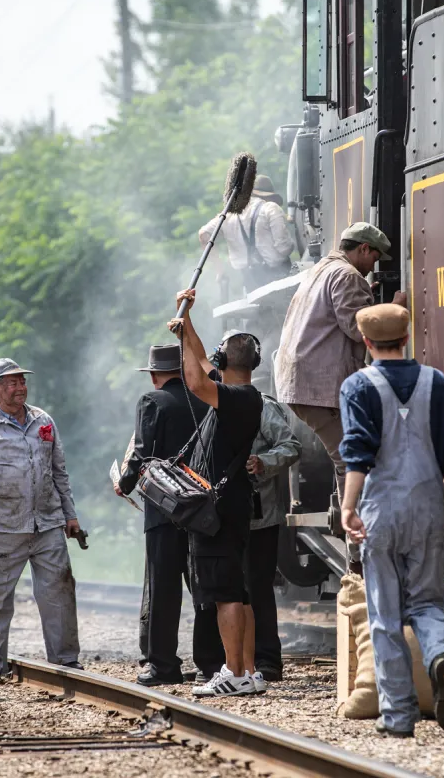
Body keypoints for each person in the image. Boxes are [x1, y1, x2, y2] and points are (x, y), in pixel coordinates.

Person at [339, 303, 444, 738]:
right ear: (406, 337)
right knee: (428, 604)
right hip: (428, 506)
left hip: (381, 510)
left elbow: (358, 452)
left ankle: (398, 716)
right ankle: (440, 654)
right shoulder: (436, 383)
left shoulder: (357, 386)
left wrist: (348, 505)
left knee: (384, 614)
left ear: (366, 342)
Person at [0, 358, 83, 685]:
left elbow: (59, 472)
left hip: (47, 524)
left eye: (22, 381)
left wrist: (70, 514)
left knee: (60, 593)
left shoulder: (44, 421)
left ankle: (65, 661)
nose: (19, 387)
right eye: (11, 382)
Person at [167, 290, 264, 697]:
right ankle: (250, 670)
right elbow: (204, 364)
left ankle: (235, 673)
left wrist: (187, 331)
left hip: (220, 509)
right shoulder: (243, 394)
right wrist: (187, 323)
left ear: (227, 364)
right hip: (235, 503)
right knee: (239, 592)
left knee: (224, 592)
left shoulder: (237, 398)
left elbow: (194, 378)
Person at [115, 343, 224, 686]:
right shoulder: (209, 399)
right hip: (203, 510)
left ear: (153, 375)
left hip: (164, 510)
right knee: (204, 587)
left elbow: (143, 454)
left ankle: (163, 665)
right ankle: (209, 664)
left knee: (163, 589)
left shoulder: (152, 402)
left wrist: (125, 482)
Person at [275, 222, 392, 511]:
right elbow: (357, 327)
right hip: (319, 384)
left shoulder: (323, 269)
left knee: (350, 454)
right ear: (364, 248)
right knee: (353, 458)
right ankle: (357, 543)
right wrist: (394, 308)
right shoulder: (347, 275)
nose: (372, 267)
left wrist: (364, 294)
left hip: (300, 380)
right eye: (374, 259)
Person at [246, 396, 301, 682]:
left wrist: (262, 462)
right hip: (218, 517)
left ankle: (266, 660)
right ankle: (229, 661)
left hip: (260, 516)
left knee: (259, 589)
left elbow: (291, 446)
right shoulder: (208, 403)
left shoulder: (261, 405)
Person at [199, 174, 295, 293]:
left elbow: (203, 234)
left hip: (250, 283)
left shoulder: (229, 215)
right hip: (279, 277)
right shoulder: (271, 208)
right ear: (267, 195)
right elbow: (284, 248)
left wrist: (220, 271)